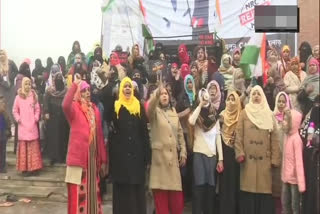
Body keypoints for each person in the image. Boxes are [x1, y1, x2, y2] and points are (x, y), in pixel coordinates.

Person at [62, 74, 108, 214]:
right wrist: (75, 85)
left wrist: (103, 160)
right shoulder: (74, 109)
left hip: (93, 160)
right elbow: (64, 104)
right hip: (78, 160)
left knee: (93, 195)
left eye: (88, 90)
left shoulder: (95, 110)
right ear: (78, 93)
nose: (87, 93)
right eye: (83, 91)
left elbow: (99, 135)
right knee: (77, 196)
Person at [235, 85, 280, 214]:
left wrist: (275, 159)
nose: (255, 96)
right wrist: (240, 153)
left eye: (258, 94)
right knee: (248, 194)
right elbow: (238, 135)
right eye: (253, 93)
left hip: (264, 163)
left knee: (264, 194)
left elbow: (275, 139)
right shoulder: (245, 113)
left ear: (262, 97)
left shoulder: (269, 114)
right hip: (247, 162)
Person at [109, 77, 151, 214]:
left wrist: (147, 157)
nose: (127, 89)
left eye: (129, 87)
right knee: (122, 194)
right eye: (125, 87)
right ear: (121, 90)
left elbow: (144, 132)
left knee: (136, 194)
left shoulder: (138, 106)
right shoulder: (115, 107)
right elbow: (112, 135)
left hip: (136, 158)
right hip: (120, 160)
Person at [147, 86, 187, 214]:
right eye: (161, 94)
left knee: (177, 205)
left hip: (173, 164)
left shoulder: (173, 112)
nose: (164, 96)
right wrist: (155, 94)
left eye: (166, 94)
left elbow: (180, 133)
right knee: (161, 208)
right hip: (160, 164)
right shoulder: (154, 112)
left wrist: (184, 152)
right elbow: (149, 108)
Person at [188, 88, 224, 214]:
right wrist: (200, 105)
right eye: (201, 95)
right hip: (199, 153)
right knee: (199, 186)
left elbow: (218, 135)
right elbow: (191, 121)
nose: (204, 97)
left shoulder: (214, 112)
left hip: (212, 155)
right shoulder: (197, 113)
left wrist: (220, 159)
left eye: (206, 94)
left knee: (210, 187)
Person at [13, 77, 42, 175]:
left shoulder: (34, 96)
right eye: (26, 84)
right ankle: (25, 169)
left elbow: (37, 109)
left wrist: (36, 118)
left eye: (29, 84)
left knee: (33, 148)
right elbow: (15, 110)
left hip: (32, 126)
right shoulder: (18, 97)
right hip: (23, 127)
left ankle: (34, 169)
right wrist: (18, 119)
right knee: (24, 149)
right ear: (22, 85)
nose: (27, 86)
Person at [219, 91, 242, 214]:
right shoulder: (222, 116)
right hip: (224, 152)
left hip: (237, 154)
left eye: (234, 99)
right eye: (228, 99)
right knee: (225, 184)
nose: (231, 102)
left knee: (235, 183)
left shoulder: (241, 116)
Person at [281, 100, 306, 214]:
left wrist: (301, 184)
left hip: (295, 180)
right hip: (286, 177)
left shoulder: (296, 140)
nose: (283, 122)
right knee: (284, 202)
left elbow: (299, 163)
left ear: (294, 122)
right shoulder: (287, 136)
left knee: (294, 205)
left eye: (286, 120)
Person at [300, 95, 320, 214]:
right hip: (309, 161)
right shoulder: (310, 121)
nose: (317, 107)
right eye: (316, 105)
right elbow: (304, 132)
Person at [273, 92, 292, 214]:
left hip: (287, 157)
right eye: (279, 101)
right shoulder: (272, 116)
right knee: (275, 185)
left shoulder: (290, 118)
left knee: (285, 186)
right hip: (276, 156)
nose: (281, 104)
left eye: (283, 102)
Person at [43, 72, 69, 164]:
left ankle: (62, 157)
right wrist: (46, 112)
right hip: (52, 118)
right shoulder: (49, 91)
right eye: (56, 78)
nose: (58, 80)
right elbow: (45, 102)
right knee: (53, 138)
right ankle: (53, 157)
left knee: (63, 137)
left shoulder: (67, 90)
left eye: (59, 78)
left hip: (64, 119)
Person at [0, 49, 18, 122]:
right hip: (2, 88)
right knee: (4, 106)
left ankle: (14, 123)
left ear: (5, 54)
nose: (1, 56)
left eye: (3, 54)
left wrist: (11, 77)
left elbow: (16, 71)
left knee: (12, 105)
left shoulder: (10, 62)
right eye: (0, 55)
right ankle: (6, 126)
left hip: (11, 87)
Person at [0, 97, 11, 173]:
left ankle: (2, 167)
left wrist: (8, 131)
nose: (3, 104)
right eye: (1, 103)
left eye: (3, 103)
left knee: (3, 152)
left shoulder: (5, 114)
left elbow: (8, 124)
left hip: (3, 135)